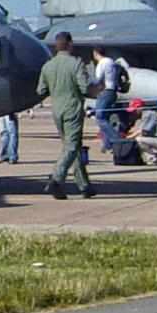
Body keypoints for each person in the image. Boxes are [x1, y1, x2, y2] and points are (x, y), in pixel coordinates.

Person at [36, 32, 95, 199]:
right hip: (72, 108)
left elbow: (40, 90)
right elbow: (84, 88)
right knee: (71, 146)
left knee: (72, 146)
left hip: (56, 110)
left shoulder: (48, 66)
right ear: (70, 44)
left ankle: (84, 185)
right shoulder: (76, 64)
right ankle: (55, 179)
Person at [89, 46, 123, 151]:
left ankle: (117, 141)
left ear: (95, 53)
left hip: (105, 91)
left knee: (100, 118)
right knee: (105, 118)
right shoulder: (111, 61)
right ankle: (107, 144)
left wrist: (87, 83)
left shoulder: (102, 63)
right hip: (113, 91)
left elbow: (98, 79)